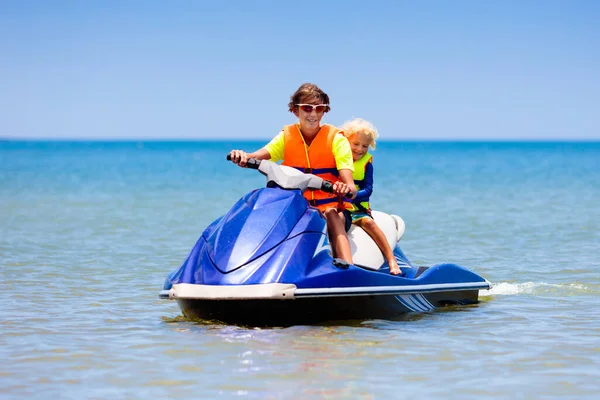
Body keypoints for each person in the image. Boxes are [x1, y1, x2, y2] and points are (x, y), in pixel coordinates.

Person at [228, 83, 357, 263]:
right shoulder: (287, 136)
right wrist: (241, 156)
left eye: (319, 109)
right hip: (298, 209)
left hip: (333, 209)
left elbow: (350, 184)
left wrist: (345, 188)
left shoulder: (336, 139)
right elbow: (257, 156)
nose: (313, 114)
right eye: (307, 108)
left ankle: (347, 267)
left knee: (331, 214)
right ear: (295, 111)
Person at [340, 118, 401, 275]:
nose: (360, 149)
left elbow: (368, 189)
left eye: (365, 146)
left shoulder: (367, 163)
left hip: (358, 208)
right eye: (356, 144)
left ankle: (391, 259)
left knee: (370, 223)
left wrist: (351, 196)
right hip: (338, 207)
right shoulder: (337, 159)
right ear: (345, 142)